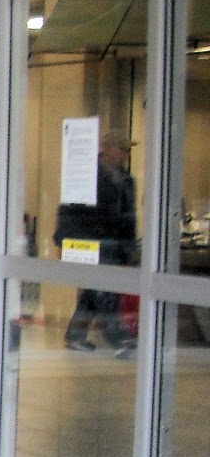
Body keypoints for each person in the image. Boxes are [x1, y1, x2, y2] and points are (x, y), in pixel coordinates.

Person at [55, 130, 138, 353]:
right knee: (105, 289)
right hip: (89, 241)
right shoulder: (87, 175)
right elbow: (69, 208)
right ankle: (117, 337)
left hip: (114, 243)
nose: (125, 154)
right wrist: (63, 239)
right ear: (107, 148)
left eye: (127, 150)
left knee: (95, 288)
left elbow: (129, 217)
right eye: (122, 149)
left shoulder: (126, 180)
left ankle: (75, 334)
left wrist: (129, 247)